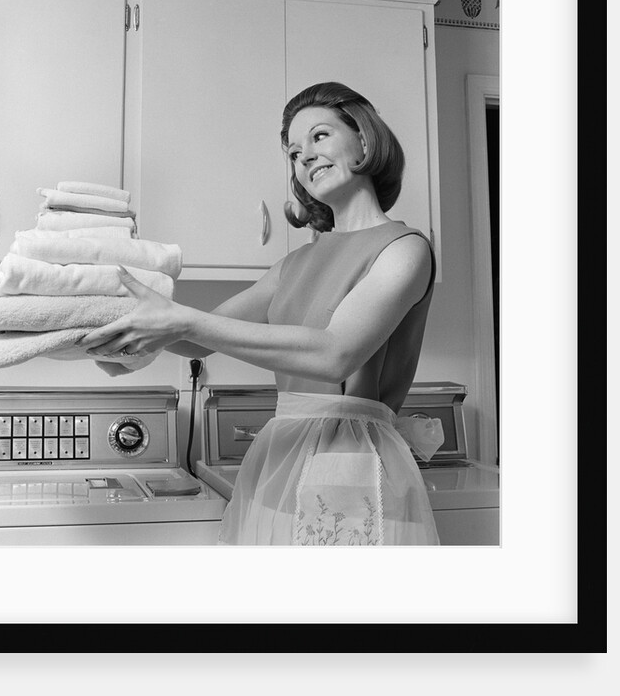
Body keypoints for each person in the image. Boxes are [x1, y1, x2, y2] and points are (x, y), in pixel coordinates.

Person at [80, 81, 442, 545]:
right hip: (281, 458)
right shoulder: (293, 265)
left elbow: (336, 354)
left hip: (355, 460)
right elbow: (197, 339)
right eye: (293, 152)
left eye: (320, 136)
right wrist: (113, 333)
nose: (305, 156)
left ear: (366, 141)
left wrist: (177, 320)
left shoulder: (406, 249)